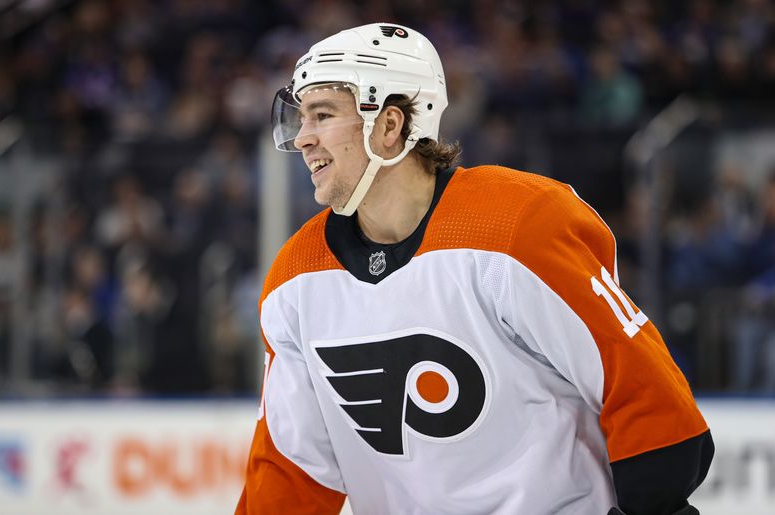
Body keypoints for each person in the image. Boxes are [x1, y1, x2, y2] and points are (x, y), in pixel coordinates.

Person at [237, 23, 713, 515]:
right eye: (301, 117)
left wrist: (655, 499)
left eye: (322, 115)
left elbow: (641, 390)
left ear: (389, 124)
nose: (303, 139)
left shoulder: (519, 225)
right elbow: (289, 469)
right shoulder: (295, 278)